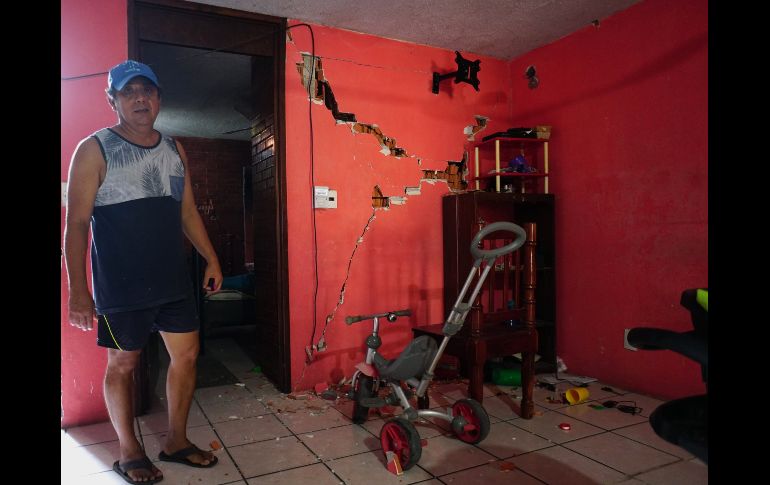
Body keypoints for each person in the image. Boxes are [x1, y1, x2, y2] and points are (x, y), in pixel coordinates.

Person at [64, 60, 223, 484]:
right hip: (121, 285)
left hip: (172, 281)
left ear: (158, 99)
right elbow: (76, 223)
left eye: (147, 91)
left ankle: (176, 441)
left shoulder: (174, 149)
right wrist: (78, 291)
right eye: (128, 91)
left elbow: (187, 212)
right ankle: (130, 452)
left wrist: (211, 258)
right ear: (113, 100)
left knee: (186, 356)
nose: (139, 98)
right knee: (122, 364)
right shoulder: (93, 149)